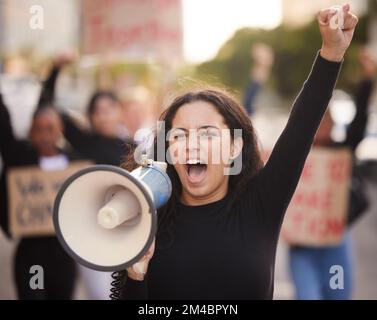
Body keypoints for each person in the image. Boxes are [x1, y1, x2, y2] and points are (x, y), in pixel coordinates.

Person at [114, 5, 358, 299]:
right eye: (179, 135)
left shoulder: (260, 204)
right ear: (168, 150)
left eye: (207, 133)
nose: (193, 144)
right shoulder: (149, 221)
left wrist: (331, 53)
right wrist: (136, 274)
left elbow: (302, 126)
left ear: (234, 147)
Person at [40, 54, 136, 300]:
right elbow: (47, 105)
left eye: (108, 109)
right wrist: (56, 69)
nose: (103, 116)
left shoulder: (136, 149)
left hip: (129, 237)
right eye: (97, 111)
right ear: (90, 116)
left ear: (120, 111)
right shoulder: (82, 142)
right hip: (91, 237)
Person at [288, 46, 375, 300]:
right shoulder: (293, 155)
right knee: (308, 295)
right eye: (317, 121)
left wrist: (367, 79)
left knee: (337, 293)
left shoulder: (342, 150)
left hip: (335, 242)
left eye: (326, 120)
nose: (323, 126)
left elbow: (359, 122)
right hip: (302, 243)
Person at [0, 83, 79, 299]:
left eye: (50, 128)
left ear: (60, 129)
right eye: (38, 129)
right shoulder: (20, 159)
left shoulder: (74, 162)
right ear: (30, 131)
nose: (44, 135)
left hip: (64, 257)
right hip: (33, 258)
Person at [243, 43, 274, 116]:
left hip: (257, 81)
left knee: (249, 102)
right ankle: (249, 115)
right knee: (248, 102)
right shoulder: (263, 61)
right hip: (256, 80)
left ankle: (249, 116)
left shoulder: (264, 59)